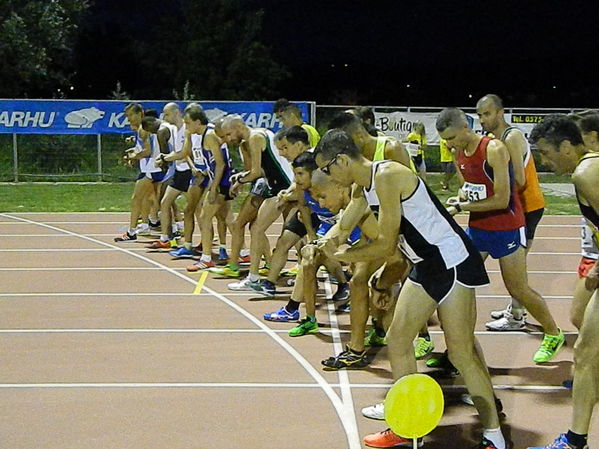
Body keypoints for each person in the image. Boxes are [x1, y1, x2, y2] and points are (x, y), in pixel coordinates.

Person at [314, 129, 505, 449]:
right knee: (399, 339)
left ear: (343, 160)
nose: (327, 176)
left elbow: (387, 243)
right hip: (426, 265)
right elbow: (343, 226)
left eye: (327, 168)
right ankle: (405, 421)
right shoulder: (362, 186)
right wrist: (322, 244)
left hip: (451, 262)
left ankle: (494, 434)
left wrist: (344, 255)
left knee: (461, 353)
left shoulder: (387, 175)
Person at [438, 108, 564, 363]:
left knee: (517, 287)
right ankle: (459, 350)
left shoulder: (493, 149)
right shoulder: (458, 152)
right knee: (459, 283)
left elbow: (501, 199)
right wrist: (461, 197)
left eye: (452, 137)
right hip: (478, 229)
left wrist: (461, 207)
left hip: (507, 226)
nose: (449, 144)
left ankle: (553, 332)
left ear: (465, 127)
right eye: (445, 140)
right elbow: (469, 187)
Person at [527, 114, 599, 449]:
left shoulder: (587, 172)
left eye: (545, 152)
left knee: (586, 352)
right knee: (585, 351)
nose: (543, 160)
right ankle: (575, 440)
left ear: (567, 146)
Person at [251, 127, 349, 299]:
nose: (282, 153)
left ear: (298, 145)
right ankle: (269, 283)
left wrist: (288, 196)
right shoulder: (297, 163)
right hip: (306, 209)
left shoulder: (316, 160)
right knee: (284, 242)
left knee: (321, 251)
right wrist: (287, 194)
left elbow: (311, 188)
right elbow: (297, 188)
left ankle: (343, 284)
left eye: (285, 147)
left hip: (324, 212)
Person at [476, 94, 546, 330]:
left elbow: (519, 178)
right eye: (479, 115)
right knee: (514, 269)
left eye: (487, 113)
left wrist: (495, 193)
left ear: (500, 112)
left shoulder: (511, 136)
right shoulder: (492, 139)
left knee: (517, 270)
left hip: (527, 207)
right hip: (513, 208)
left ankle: (517, 316)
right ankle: (516, 310)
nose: (483, 119)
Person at [209, 115, 290, 281]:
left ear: (239, 127)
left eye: (229, 134)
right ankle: (264, 268)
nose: (228, 139)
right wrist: (241, 178)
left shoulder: (254, 138)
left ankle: (248, 271)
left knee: (255, 228)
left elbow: (255, 172)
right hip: (277, 186)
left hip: (282, 187)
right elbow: (259, 171)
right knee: (264, 229)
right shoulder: (257, 136)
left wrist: (239, 180)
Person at [184, 116, 234, 267]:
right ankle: (243, 254)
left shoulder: (210, 135)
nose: (186, 126)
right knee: (230, 220)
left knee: (205, 216)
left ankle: (206, 258)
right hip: (225, 180)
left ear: (197, 121)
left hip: (222, 182)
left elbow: (220, 164)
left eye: (188, 122)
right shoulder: (210, 134)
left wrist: (213, 187)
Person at [146, 102, 192, 249]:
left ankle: (198, 243)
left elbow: (185, 153)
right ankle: (165, 238)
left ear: (176, 113)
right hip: (179, 170)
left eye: (167, 114)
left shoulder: (186, 129)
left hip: (190, 172)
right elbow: (177, 152)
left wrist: (165, 159)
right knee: (165, 202)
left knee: (197, 210)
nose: (164, 117)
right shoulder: (174, 129)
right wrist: (164, 157)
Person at [115, 104, 163, 242]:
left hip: (151, 169)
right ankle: (157, 226)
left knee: (137, 198)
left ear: (140, 114)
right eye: (127, 116)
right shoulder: (143, 129)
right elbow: (144, 149)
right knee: (155, 199)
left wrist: (133, 157)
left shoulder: (143, 129)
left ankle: (132, 231)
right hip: (154, 168)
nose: (128, 119)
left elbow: (148, 151)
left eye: (130, 115)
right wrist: (135, 155)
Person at [140, 115, 178, 249]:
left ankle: (167, 236)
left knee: (164, 201)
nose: (152, 134)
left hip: (175, 166)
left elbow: (164, 154)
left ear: (150, 124)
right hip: (179, 165)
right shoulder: (170, 126)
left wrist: (161, 164)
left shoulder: (161, 131)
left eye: (150, 130)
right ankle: (171, 232)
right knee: (169, 201)